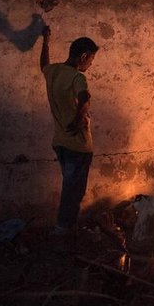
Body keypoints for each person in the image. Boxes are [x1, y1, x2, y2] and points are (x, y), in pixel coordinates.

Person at [39, 25, 99, 237]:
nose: (90, 64)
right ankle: (63, 230)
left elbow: (43, 65)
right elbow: (85, 98)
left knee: (71, 187)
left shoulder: (53, 71)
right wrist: (78, 119)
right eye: (91, 60)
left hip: (60, 142)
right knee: (74, 191)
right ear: (83, 56)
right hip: (78, 145)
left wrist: (45, 41)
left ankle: (66, 227)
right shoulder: (77, 77)